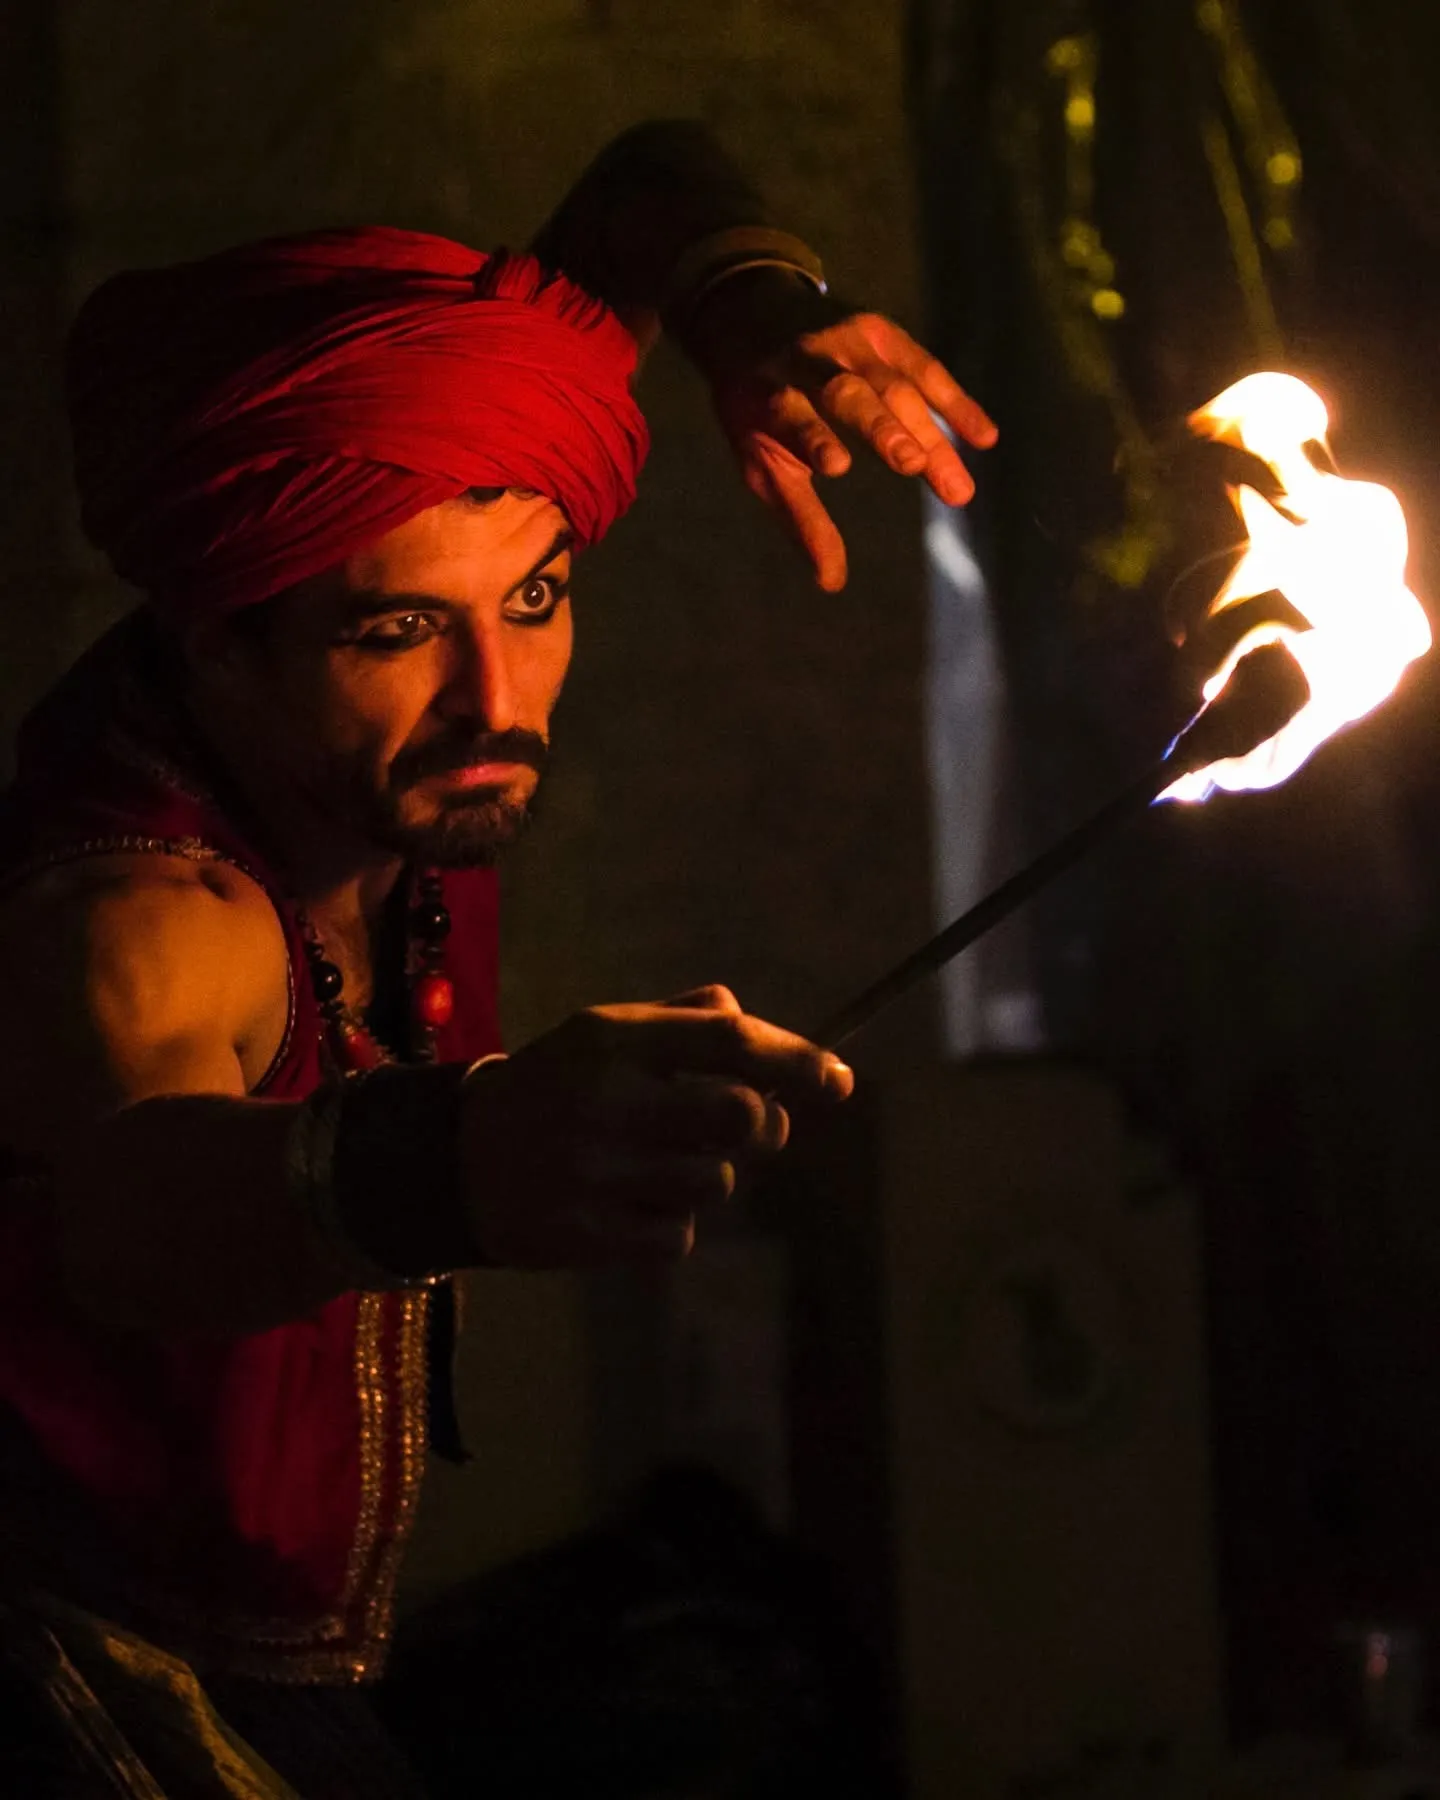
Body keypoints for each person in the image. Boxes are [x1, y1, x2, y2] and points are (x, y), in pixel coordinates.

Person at [0, 121, 994, 1796]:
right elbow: (133, 1208)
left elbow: (651, 180)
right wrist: (453, 1158)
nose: (501, 704)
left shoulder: (441, 525)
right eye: (398, 631)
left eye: (536, 600)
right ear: (213, 636)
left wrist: (753, 300)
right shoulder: (146, 911)